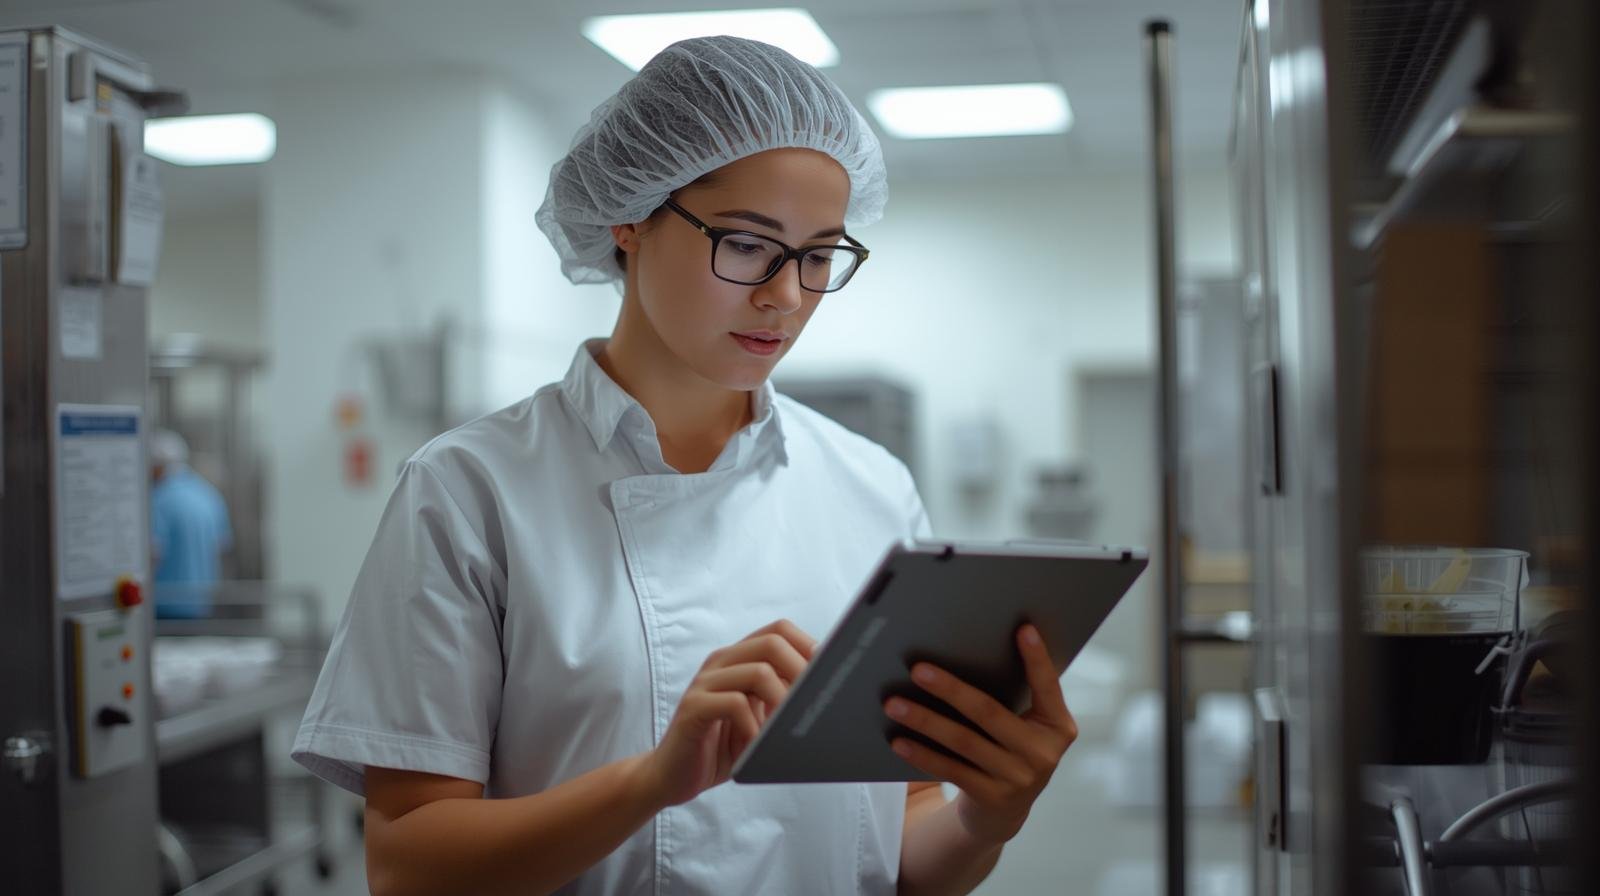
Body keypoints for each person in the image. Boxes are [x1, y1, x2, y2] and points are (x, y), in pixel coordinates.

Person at [292, 36, 1079, 895]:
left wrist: (983, 819)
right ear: (630, 219)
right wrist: (651, 782)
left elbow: (900, 839)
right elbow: (408, 866)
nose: (785, 296)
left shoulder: (871, 488)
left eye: (819, 256)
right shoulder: (470, 492)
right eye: (745, 244)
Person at [149, 428, 233, 619]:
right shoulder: (208, 494)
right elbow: (221, 547)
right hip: (203, 605)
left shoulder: (157, 500)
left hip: (165, 608)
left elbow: (153, 554)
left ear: (158, 467)